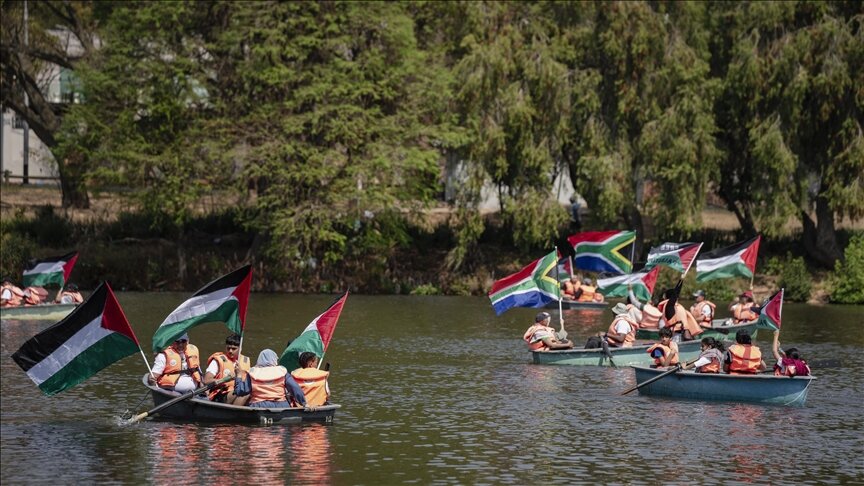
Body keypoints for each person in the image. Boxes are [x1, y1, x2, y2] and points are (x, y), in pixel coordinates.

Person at [234, 349, 307, 408]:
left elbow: (240, 391)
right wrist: (303, 403)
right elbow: (295, 388)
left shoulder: (253, 373)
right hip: (281, 406)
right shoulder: (282, 372)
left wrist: (239, 375)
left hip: (259, 406)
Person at [203, 334, 252, 405]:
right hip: (221, 395)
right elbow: (206, 380)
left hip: (238, 393)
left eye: (234, 349)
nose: (230, 351)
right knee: (243, 392)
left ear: (240, 348)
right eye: (228, 348)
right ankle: (234, 414)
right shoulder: (218, 360)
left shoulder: (245, 361)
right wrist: (224, 380)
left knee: (248, 392)